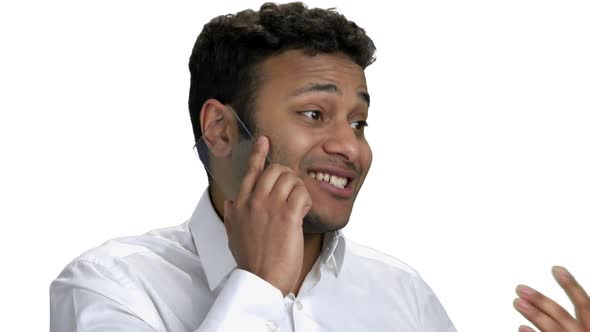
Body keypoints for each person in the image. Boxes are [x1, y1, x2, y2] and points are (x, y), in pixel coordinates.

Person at [50, 2, 589, 331]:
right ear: (219, 129)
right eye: (314, 113)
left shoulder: (400, 292)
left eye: (359, 123)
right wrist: (259, 286)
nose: (351, 149)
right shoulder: (111, 285)